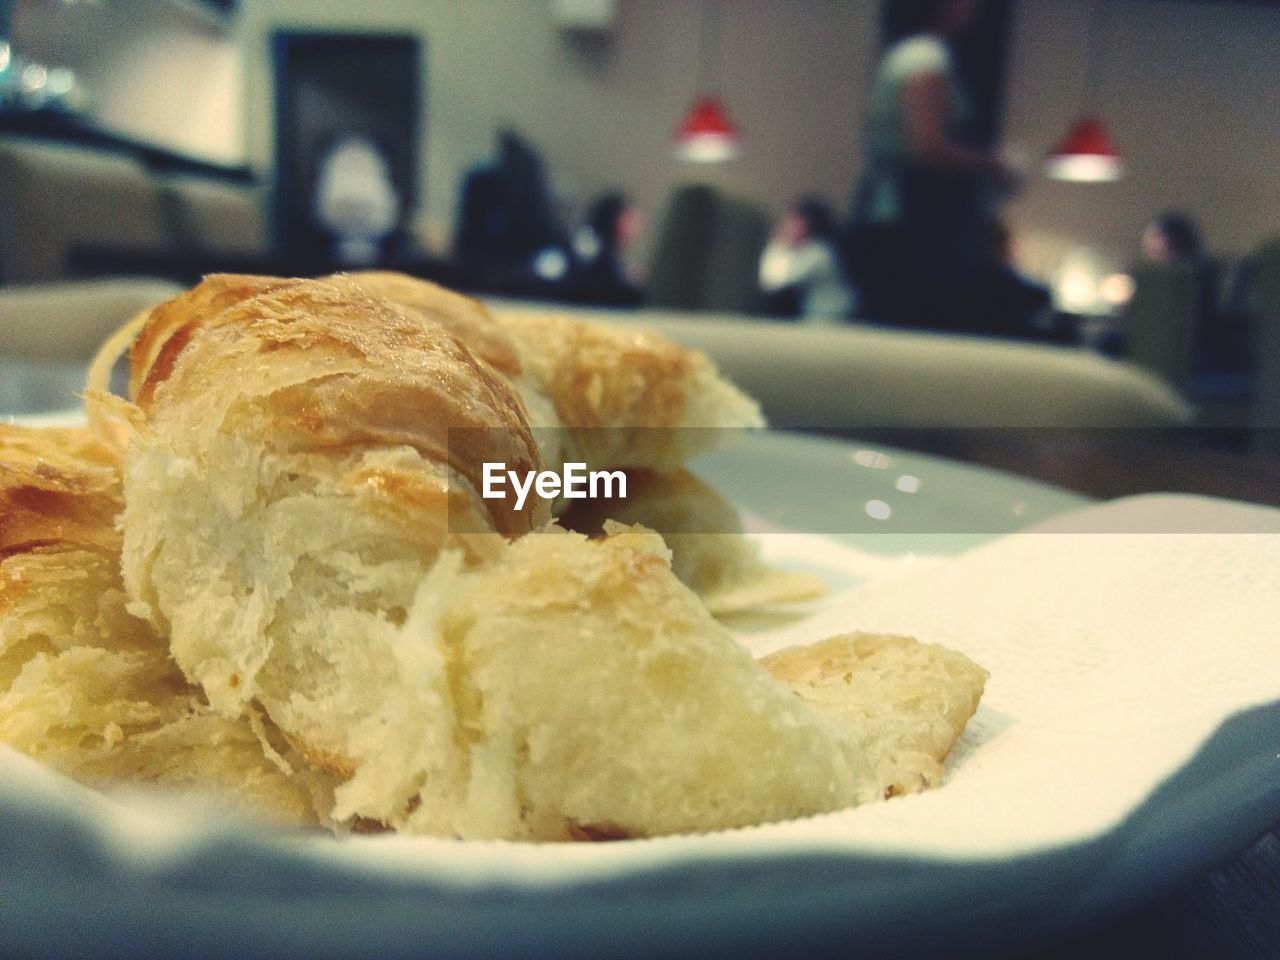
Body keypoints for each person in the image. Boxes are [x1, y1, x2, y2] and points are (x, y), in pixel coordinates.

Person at [845, 0, 1013, 330]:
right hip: (910, 220)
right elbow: (928, 147)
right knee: (913, 326)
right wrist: (995, 163)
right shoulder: (926, 57)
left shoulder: (906, 54)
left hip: (888, 213)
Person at [758, 198, 855, 322]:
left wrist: (778, 245)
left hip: (832, 317)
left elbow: (772, 281)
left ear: (809, 225)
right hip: (819, 315)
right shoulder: (808, 250)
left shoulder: (818, 252)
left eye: (793, 223)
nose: (786, 227)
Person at [569, 192, 643, 306]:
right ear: (617, 220)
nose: (636, 226)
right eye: (630, 219)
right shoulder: (590, 249)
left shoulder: (611, 253)